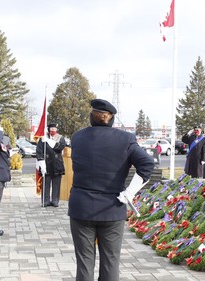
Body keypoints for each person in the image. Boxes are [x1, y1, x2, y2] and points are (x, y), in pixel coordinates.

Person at [68, 98, 154, 281]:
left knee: (84, 262)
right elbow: (146, 164)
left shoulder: (77, 137)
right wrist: (130, 192)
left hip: (82, 207)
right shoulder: (126, 139)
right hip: (112, 208)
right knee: (110, 262)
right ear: (112, 119)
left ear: (92, 117)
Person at [36, 123, 66, 207]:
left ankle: (55, 201)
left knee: (56, 184)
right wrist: (41, 163)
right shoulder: (43, 138)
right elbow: (39, 151)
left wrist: (49, 141)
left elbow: (59, 147)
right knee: (46, 183)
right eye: (51, 128)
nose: (53, 130)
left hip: (57, 164)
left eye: (55, 129)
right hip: (46, 164)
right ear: (48, 129)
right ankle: (45, 201)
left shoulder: (60, 138)